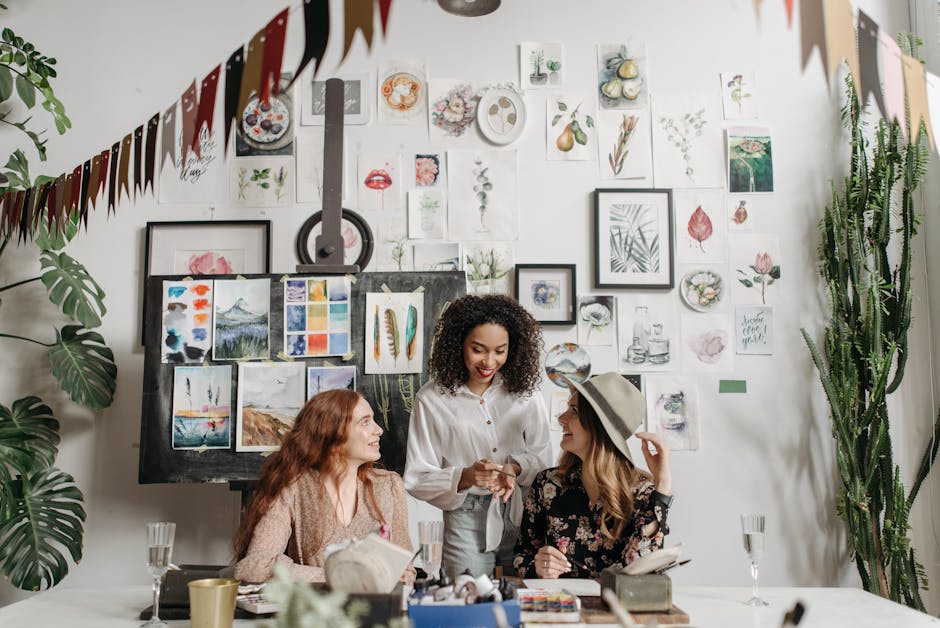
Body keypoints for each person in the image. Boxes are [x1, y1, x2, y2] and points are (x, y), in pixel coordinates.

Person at [404, 294, 553, 578]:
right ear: (459, 343)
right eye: (478, 349)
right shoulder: (432, 399)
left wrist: (514, 467)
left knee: (524, 604)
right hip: (465, 517)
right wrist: (467, 476)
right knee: (467, 601)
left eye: (500, 350)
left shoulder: (525, 393)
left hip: (523, 512)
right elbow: (417, 476)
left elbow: (544, 457)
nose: (489, 361)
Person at [233, 389, 413, 583]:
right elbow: (254, 566)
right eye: (365, 422)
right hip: (317, 611)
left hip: (378, 610)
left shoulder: (389, 485)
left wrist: (404, 575)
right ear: (333, 434)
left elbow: (406, 567)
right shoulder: (292, 488)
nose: (378, 430)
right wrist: (340, 577)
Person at [513, 372, 673, 579]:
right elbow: (521, 557)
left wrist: (663, 484)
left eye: (574, 411)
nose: (561, 418)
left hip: (615, 609)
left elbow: (642, 572)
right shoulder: (547, 484)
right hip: (560, 606)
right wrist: (538, 566)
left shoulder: (643, 492)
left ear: (599, 427)